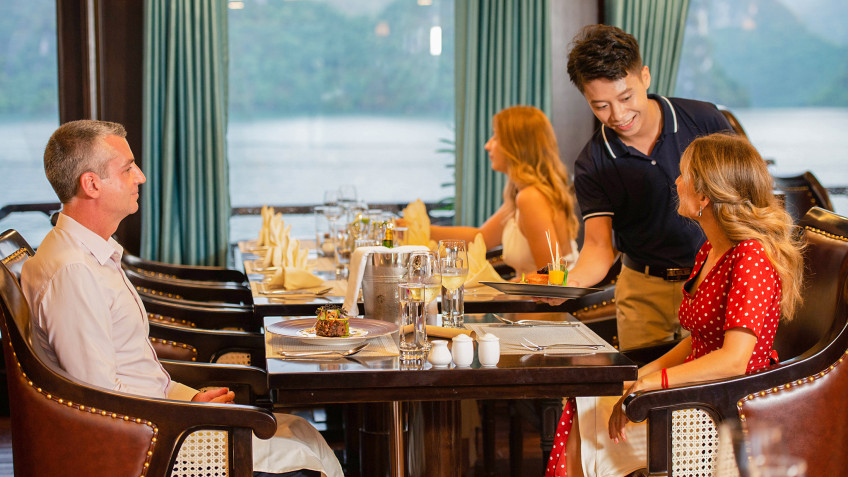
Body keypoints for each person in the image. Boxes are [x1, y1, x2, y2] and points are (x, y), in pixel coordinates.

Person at [20, 120, 343, 477]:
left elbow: (131, 375)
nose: (141, 177)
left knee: (303, 432)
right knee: (304, 458)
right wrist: (191, 413)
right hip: (154, 442)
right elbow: (102, 402)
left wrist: (189, 399)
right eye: (127, 169)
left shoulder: (87, 254)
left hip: (162, 418)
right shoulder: (73, 271)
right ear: (92, 184)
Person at [545, 133, 805, 477]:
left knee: (590, 411)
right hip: (697, 391)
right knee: (587, 398)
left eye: (684, 175)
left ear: (705, 197)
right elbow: (698, 341)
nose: (676, 182)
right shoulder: (711, 249)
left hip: (724, 407)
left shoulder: (750, 257)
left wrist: (654, 383)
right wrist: (640, 376)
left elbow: (734, 360)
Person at [564, 24, 734, 350]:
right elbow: (598, 247)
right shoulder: (593, 162)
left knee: (711, 377)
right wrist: (567, 285)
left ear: (645, 77)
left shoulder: (705, 120)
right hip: (642, 291)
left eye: (626, 97)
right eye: (600, 105)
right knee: (642, 380)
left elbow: (751, 199)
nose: (618, 115)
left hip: (713, 278)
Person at [428, 105, 580, 276]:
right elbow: (482, 237)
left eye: (496, 137)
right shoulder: (522, 193)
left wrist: (500, 287)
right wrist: (419, 228)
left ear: (517, 146)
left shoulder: (531, 197)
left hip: (553, 293)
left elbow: (552, 274)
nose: (487, 145)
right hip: (534, 292)